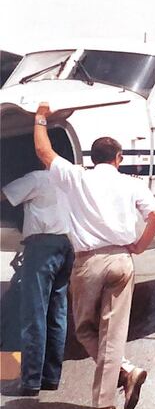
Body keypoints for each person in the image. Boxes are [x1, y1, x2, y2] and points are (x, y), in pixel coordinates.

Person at [33, 103, 155, 409]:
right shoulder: (132, 183)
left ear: (92, 159)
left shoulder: (77, 177)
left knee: (86, 330)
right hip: (122, 259)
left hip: (88, 262)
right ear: (118, 159)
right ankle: (108, 396)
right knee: (113, 332)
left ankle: (124, 376)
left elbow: (43, 150)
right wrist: (140, 246)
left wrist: (41, 116)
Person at [1, 168, 73, 396]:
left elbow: (6, 194)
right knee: (57, 313)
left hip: (41, 247)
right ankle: (51, 377)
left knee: (34, 314)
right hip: (66, 245)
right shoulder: (71, 180)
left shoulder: (36, 178)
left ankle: (31, 380)